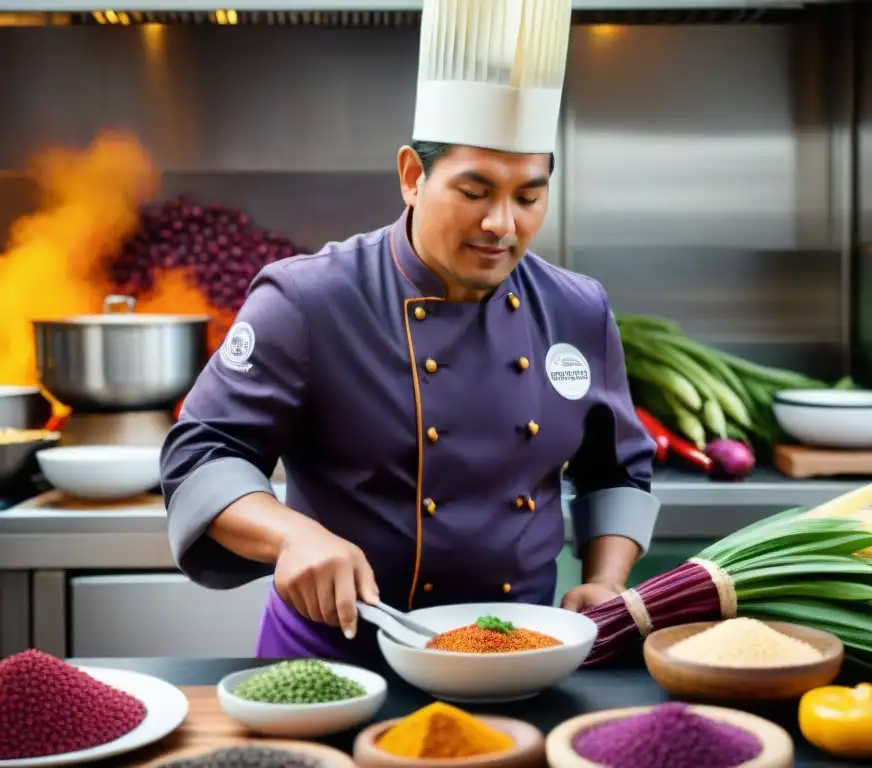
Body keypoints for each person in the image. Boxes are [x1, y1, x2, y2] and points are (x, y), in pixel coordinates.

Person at [160, 0, 660, 664]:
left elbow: (617, 473)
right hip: (338, 661)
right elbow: (201, 455)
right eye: (475, 191)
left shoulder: (578, 309)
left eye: (528, 197)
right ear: (412, 177)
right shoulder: (309, 299)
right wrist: (292, 535)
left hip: (516, 659)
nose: (501, 224)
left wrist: (604, 579)